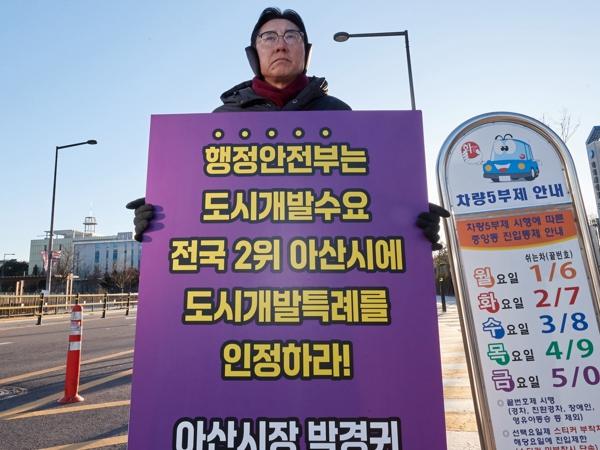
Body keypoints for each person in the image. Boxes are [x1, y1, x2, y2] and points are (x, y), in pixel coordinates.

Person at [127, 7, 448, 249]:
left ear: (306, 51)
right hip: (240, 278)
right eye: (269, 37)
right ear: (254, 53)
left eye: (291, 36)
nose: (280, 45)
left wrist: (409, 222)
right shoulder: (220, 122)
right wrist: (162, 214)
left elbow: (366, 197)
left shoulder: (338, 114)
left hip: (326, 272)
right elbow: (200, 200)